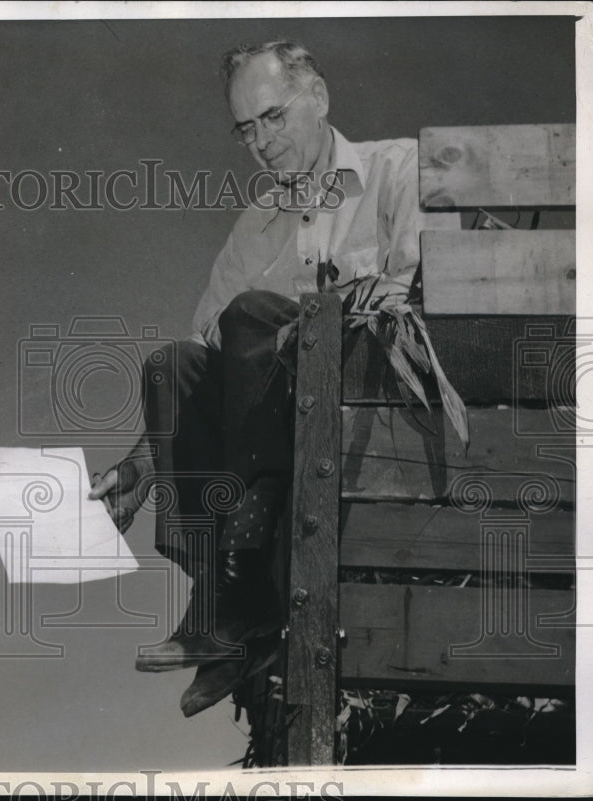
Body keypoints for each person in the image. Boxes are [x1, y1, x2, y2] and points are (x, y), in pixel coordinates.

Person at [90, 40, 459, 715]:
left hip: (367, 418)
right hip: (272, 435)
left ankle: (241, 576)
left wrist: (318, 324)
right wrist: (144, 460)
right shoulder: (255, 226)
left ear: (317, 98)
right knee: (172, 366)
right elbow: (207, 354)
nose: (261, 142)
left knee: (256, 314)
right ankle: (220, 589)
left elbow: (423, 300)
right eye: (245, 128)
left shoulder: (396, 168)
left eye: (274, 117)